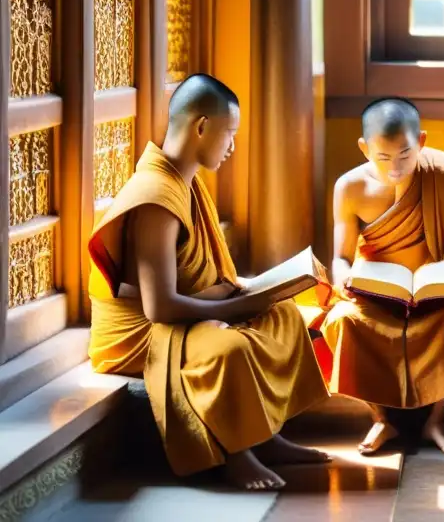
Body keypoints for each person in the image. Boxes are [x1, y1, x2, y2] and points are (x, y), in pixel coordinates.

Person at [87, 74, 330, 491]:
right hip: (143, 333)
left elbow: (202, 274)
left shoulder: (187, 180)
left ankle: (267, 436)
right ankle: (237, 454)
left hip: (183, 312)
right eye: (229, 133)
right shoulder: (155, 197)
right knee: (229, 348)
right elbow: (158, 308)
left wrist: (250, 292)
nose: (232, 146)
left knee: (284, 316)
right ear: (201, 127)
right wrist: (228, 309)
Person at [301, 98, 444, 458]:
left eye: (405, 156)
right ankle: (381, 417)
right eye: (383, 158)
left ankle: (438, 420)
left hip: (437, 297)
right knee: (343, 322)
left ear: (422, 142)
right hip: (377, 294)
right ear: (364, 148)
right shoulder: (349, 188)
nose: (395, 168)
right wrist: (348, 280)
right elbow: (341, 256)